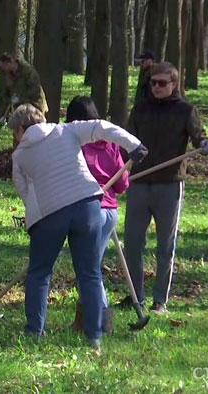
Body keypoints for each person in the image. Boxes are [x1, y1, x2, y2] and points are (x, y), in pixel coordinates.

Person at [8, 104, 146, 348]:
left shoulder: (19, 155)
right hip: (88, 204)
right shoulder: (67, 130)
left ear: (20, 129)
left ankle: (34, 332)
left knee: (39, 273)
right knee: (90, 273)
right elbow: (102, 126)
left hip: (49, 215)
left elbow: (23, 190)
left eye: (14, 134)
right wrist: (133, 145)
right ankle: (95, 338)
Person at [121, 62, 208, 314]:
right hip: (140, 182)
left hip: (169, 184)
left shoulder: (185, 110)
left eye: (162, 83)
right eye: (153, 82)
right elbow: (125, 140)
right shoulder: (140, 109)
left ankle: (160, 301)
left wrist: (206, 143)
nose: (156, 87)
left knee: (165, 245)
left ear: (173, 84)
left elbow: (199, 135)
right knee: (132, 244)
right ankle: (135, 296)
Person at [65, 96, 129, 333]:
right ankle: (84, 321)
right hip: (110, 212)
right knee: (89, 267)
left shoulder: (71, 143)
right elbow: (122, 184)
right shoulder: (109, 144)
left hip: (87, 212)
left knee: (88, 270)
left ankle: (100, 321)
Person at [0, 52, 48, 124]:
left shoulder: (28, 71)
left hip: (35, 106)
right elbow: (7, 93)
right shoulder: (9, 75)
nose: (3, 69)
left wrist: (20, 98)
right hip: (21, 109)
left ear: (9, 63)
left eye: (3, 67)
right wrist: (5, 114)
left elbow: (35, 90)